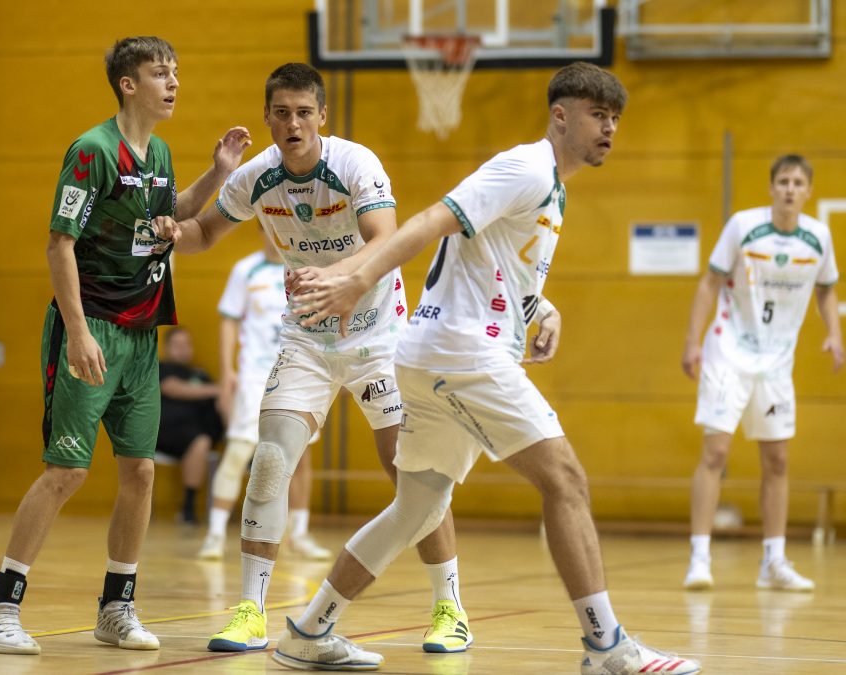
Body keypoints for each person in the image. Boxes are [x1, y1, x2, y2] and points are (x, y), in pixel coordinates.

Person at [276, 62, 702, 674]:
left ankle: (307, 632)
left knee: (416, 507)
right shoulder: (525, 166)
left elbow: (496, 261)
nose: (609, 128)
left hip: (435, 355)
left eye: (615, 119)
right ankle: (607, 647)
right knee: (566, 480)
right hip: (462, 353)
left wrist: (542, 309)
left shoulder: (553, 187)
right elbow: (430, 222)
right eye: (597, 115)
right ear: (561, 116)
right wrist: (355, 280)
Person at [162, 63, 467, 655]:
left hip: (379, 336)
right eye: (282, 112)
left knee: (411, 474)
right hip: (306, 340)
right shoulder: (256, 177)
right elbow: (203, 234)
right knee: (272, 458)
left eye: (304, 112)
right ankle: (250, 609)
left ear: (322, 116)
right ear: (268, 118)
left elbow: (385, 238)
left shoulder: (355, 164)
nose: (293, 123)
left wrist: (328, 275)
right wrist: (175, 232)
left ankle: (449, 607)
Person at [0, 36, 250, 655]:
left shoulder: (162, 151)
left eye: (176, 72)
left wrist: (219, 174)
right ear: (128, 84)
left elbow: (167, 211)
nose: (172, 83)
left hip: (144, 334)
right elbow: (58, 244)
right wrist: (77, 331)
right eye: (160, 74)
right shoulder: (92, 151)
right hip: (93, 327)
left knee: (141, 471)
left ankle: (116, 608)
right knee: (66, 470)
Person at [681, 154, 841, 593]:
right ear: (771, 188)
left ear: (808, 191)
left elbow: (827, 291)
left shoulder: (818, 237)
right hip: (728, 352)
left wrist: (834, 333)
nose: (790, 189)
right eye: (783, 181)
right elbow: (709, 284)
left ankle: (773, 561)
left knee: (778, 459)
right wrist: (692, 342)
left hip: (776, 362)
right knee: (715, 452)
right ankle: (699, 557)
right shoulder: (742, 226)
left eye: (798, 182)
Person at [199, 233, 331, 561]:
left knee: (301, 457)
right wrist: (227, 369)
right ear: (263, 230)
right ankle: (215, 534)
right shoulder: (246, 271)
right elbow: (228, 320)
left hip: (296, 373)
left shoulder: (305, 268)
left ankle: (299, 535)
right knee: (239, 450)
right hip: (254, 375)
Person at [157, 326, 224, 525]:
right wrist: (219, 389)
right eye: (177, 345)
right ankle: (188, 505)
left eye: (187, 344)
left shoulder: (200, 374)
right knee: (200, 440)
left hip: (197, 432)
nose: (183, 349)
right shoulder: (160, 368)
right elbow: (174, 389)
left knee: (201, 440)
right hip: (165, 432)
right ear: (167, 347)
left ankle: (190, 506)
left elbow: (220, 399)